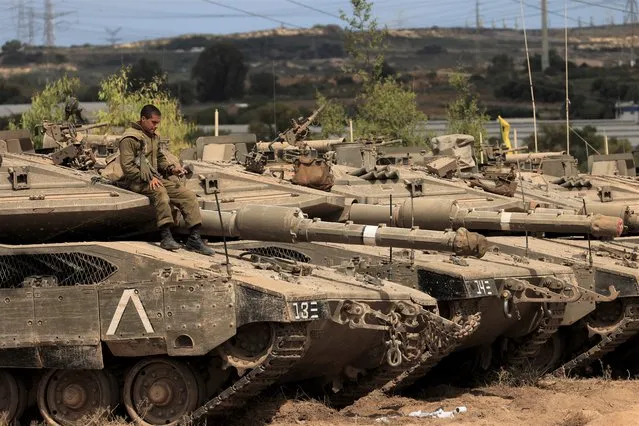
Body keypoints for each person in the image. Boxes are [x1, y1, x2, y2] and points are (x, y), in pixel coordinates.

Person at [118, 104, 214, 255]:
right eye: (153, 122)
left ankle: (194, 239)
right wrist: (148, 179)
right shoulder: (129, 138)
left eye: (157, 123)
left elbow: (159, 158)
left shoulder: (153, 136)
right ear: (143, 119)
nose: (156, 126)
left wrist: (171, 169)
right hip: (135, 181)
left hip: (154, 178)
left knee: (187, 195)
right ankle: (166, 236)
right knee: (160, 193)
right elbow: (128, 167)